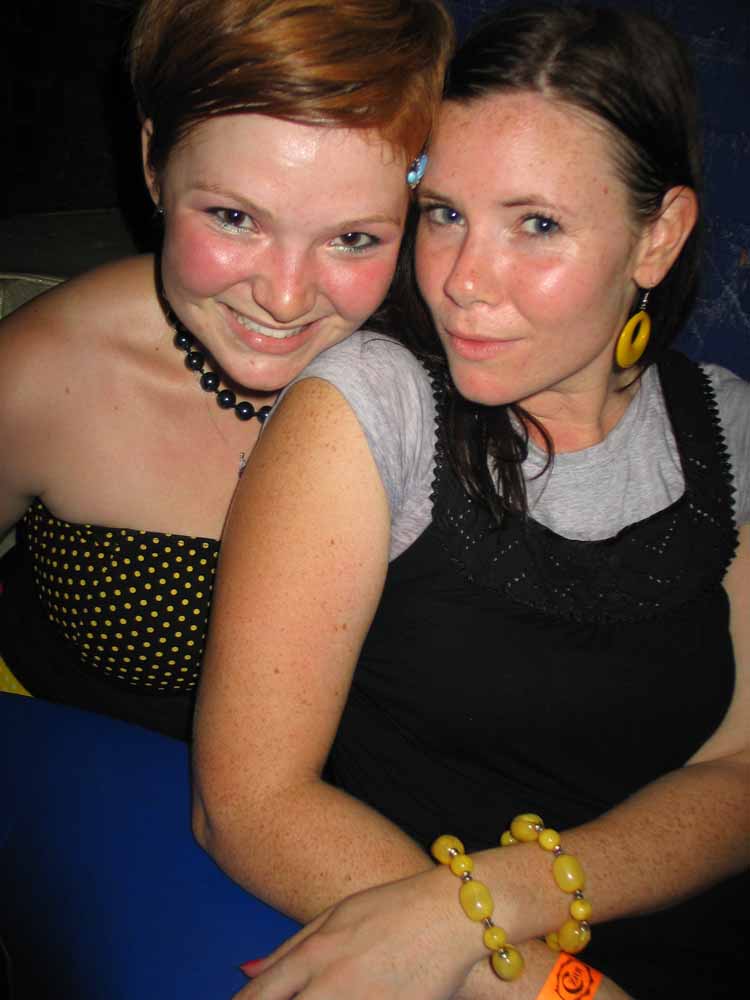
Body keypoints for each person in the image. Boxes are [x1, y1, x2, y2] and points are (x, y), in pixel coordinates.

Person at [192, 3, 750, 998]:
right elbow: (250, 804)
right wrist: (552, 985)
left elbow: (741, 766)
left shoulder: (729, 426)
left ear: (658, 238)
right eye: (444, 213)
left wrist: (485, 900)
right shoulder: (373, 407)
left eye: (537, 224)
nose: (462, 281)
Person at [0, 0, 453, 740]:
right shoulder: (39, 374)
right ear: (155, 163)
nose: (284, 297)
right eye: (235, 218)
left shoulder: (464, 374)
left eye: (352, 238)